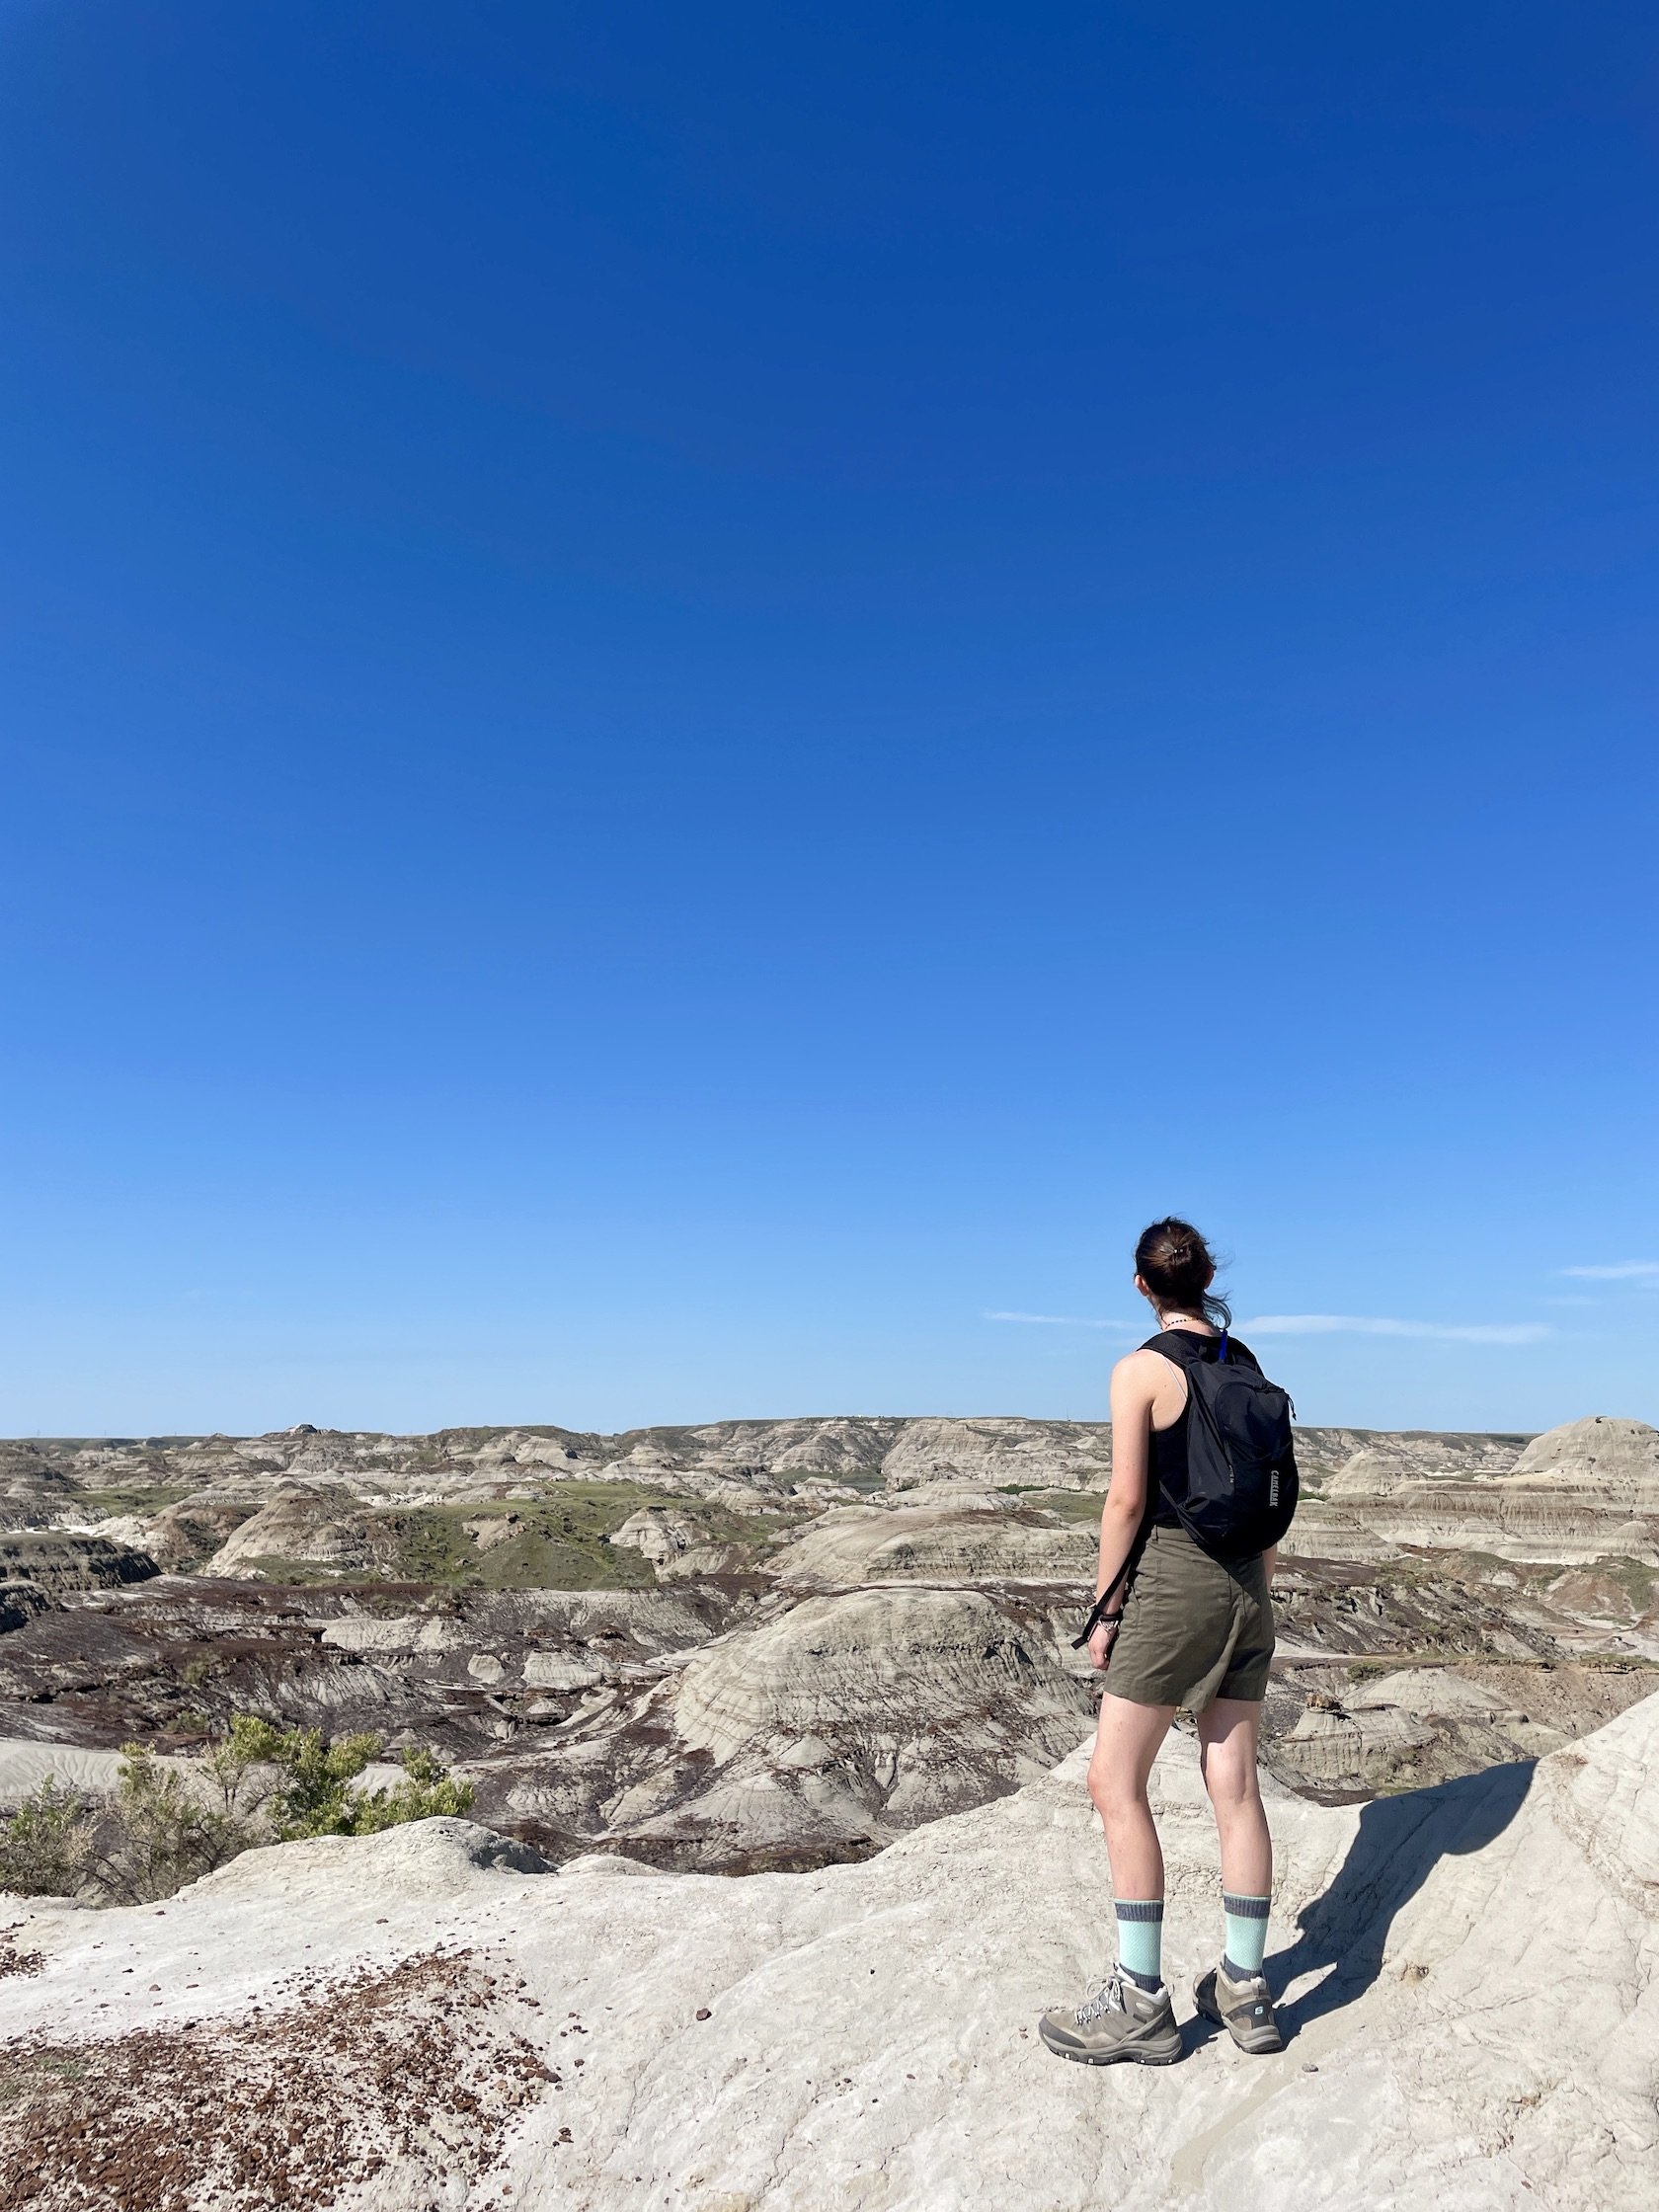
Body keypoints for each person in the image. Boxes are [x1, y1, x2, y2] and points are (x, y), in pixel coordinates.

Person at [1039, 1218, 1283, 2067]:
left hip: (1177, 1580)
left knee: (1114, 1781)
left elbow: (1126, 1502)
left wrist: (1106, 1610)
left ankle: (1139, 2001)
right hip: (1249, 1582)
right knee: (1235, 1784)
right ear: (1208, 1279)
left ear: (1142, 1285)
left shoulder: (1142, 1369)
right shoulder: (1245, 1365)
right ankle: (1245, 1989)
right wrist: (1255, 1589)